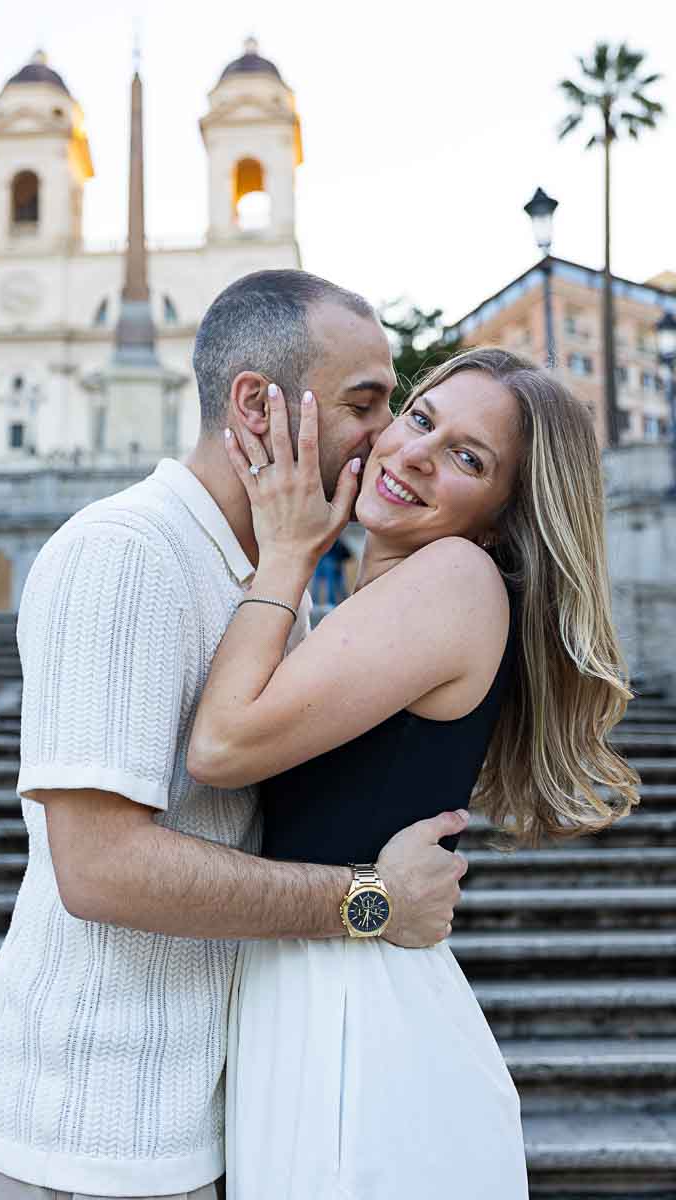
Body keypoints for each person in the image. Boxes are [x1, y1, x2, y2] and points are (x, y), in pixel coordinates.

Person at [0, 271, 472, 1200]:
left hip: (194, 1125)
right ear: (257, 405)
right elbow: (100, 867)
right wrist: (369, 901)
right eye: (365, 403)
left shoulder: (270, 574)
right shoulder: (128, 553)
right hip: (79, 1133)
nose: (385, 435)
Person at [188, 347, 640, 1199]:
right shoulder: (388, 596)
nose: (417, 454)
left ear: (503, 517)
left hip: (355, 1017)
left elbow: (221, 747)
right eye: (423, 418)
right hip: (325, 995)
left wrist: (286, 550)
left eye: (470, 458)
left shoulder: (457, 578)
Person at [311, 537, 352, 606]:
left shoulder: (332, 539)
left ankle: (318, 603)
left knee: (328, 583)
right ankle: (330, 603)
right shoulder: (336, 539)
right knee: (333, 583)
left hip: (327, 560)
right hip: (331, 561)